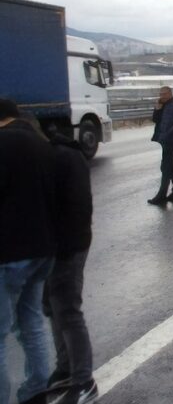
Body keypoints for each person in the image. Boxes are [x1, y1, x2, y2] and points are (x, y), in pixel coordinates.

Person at [0, 99, 56, 404]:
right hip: (42, 250)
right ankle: (36, 391)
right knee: (31, 324)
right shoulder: (40, 143)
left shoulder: (3, 144)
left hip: (9, 252)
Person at [42, 130, 98, 404]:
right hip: (63, 244)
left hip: (66, 246)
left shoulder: (60, 158)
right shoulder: (64, 154)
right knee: (54, 308)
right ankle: (66, 369)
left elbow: (72, 208)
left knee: (66, 310)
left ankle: (84, 381)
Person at [148, 86, 173, 205]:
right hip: (164, 140)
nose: (162, 96)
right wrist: (157, 109)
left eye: (164, 94)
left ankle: (161, 195)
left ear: (170, 94)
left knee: (165, 167)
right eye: (161, 94)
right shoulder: (161, 106)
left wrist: (169, 132)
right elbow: (155, 120)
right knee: (171, 166)